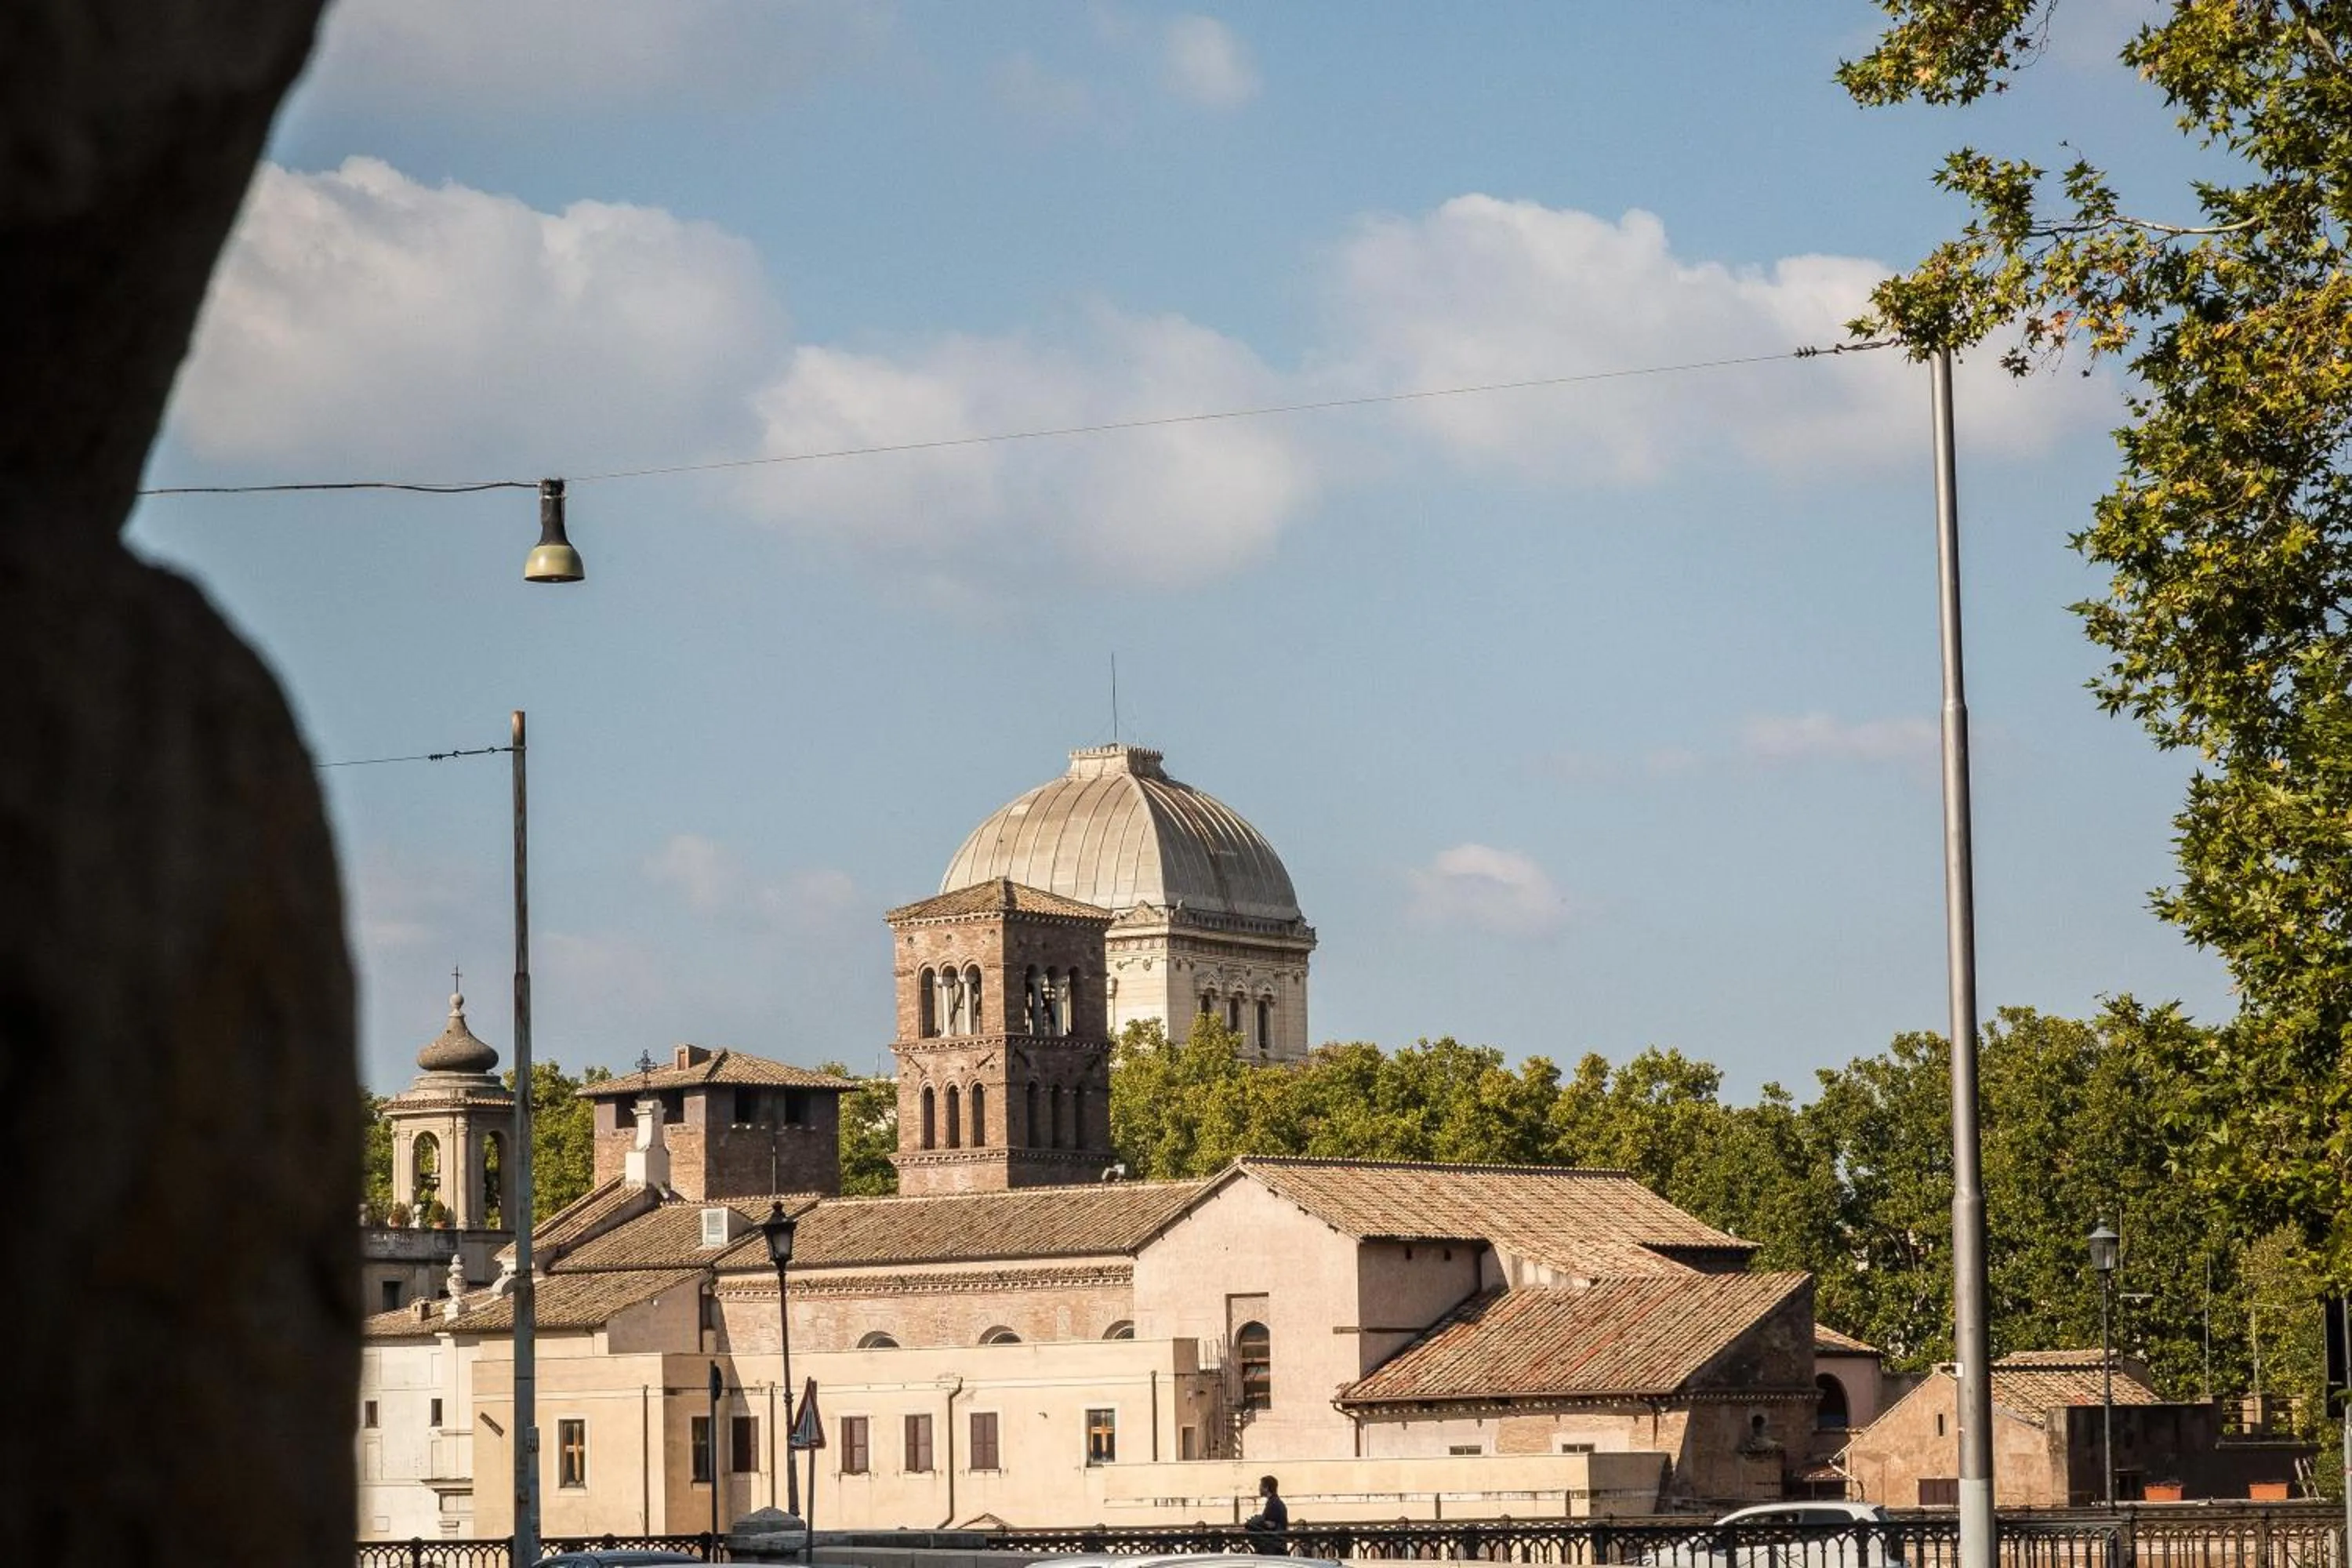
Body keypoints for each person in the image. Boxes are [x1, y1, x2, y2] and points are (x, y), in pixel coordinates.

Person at [1243, 1474, 1289, 1555]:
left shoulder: (1274, 1503)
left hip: (1274, 1548)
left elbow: (1270, 1525)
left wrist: (1255, 1522)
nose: (1259, 1489)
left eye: (1260, 1486)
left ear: (1267, 1488)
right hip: (1276, 1547)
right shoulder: (1275, 1502)